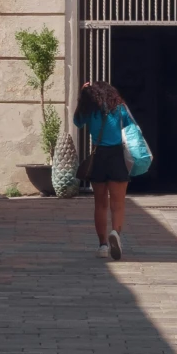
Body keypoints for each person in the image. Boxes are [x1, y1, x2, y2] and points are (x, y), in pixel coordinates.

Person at [73, 79, 135, 260]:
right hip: (117, 157)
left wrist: (82, 96)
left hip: (98, 157)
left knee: (100, 204)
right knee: (118, 204)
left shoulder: (88, 110)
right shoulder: (120, 108)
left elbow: (77, 122)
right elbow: (130, 128)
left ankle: (102, 245)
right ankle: (115, 232)